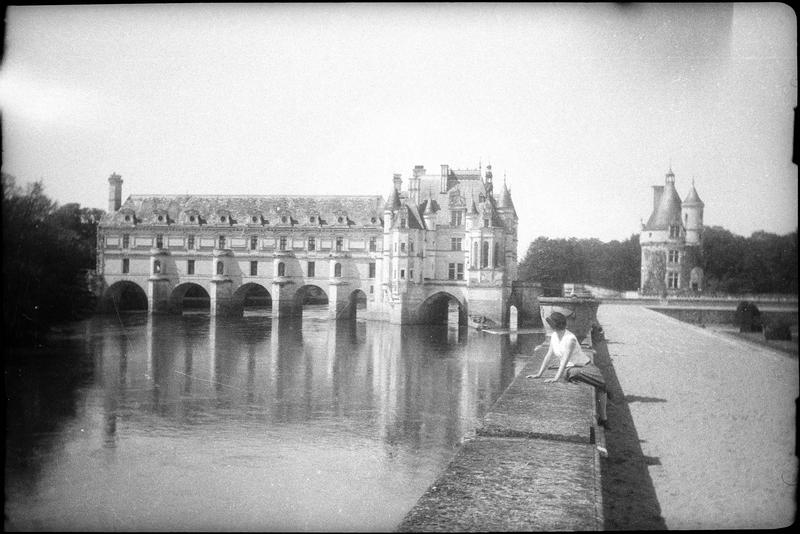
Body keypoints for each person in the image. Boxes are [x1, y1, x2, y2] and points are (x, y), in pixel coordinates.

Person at [527, 311, 611, 427]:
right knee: (600, 384)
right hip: (571, 368)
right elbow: (548, 355)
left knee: (602, 386)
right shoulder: (554, 336)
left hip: (583, 365)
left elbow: (565, 359)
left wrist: (556, 378)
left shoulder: (570, 338)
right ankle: (604, 418)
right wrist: (539, 374)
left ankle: (603, 418)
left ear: (554, 325)